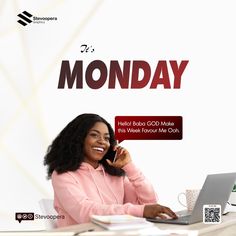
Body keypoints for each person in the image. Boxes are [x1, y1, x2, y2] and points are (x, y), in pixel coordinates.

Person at [44, 113, 177, 227]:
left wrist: (129, 166)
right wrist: (140, 211)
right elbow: (86, 213)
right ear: (78, 139)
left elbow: (149, 203)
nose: (102, 142)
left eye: (107, 138)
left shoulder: (114, 174)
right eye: (94, 135)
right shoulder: (63, 175)